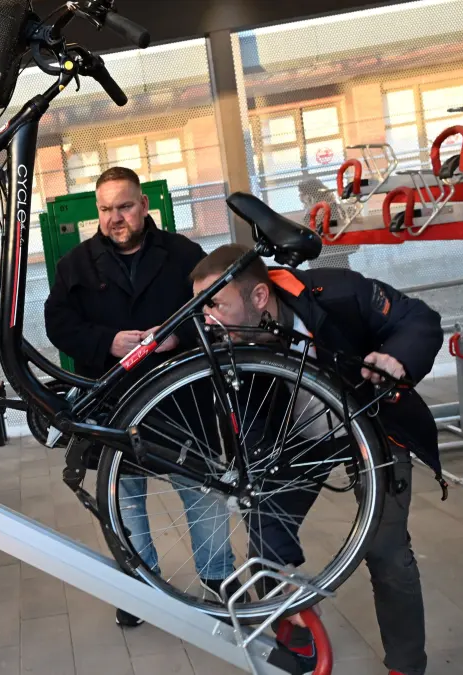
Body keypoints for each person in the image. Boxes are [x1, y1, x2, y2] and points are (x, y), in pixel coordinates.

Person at [189, 243, 445, 675]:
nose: (207, 320)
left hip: (373, 424)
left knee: (387, 553)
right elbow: (253, 459)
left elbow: (419, 319)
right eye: (201, 307)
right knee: (267, 551)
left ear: (258, 297)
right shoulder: (228, 349)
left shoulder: (338, 293)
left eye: (216, 304)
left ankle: (406, 667)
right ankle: (298, 639)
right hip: (298, 440)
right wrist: (281, 561)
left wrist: (396, 358)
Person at [43, 166, 238, 627]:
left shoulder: (183, 254)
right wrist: (106, 342)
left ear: (144, 205)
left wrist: (177, 338)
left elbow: (217, 307)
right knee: (124, 502)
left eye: (125, 207)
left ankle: (221, 579)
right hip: (114, 406)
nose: (116, 218)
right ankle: (139, 585)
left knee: (202, 492)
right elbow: (59, 324)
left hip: (183, 405)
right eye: (106, 209)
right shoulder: (76, 264)